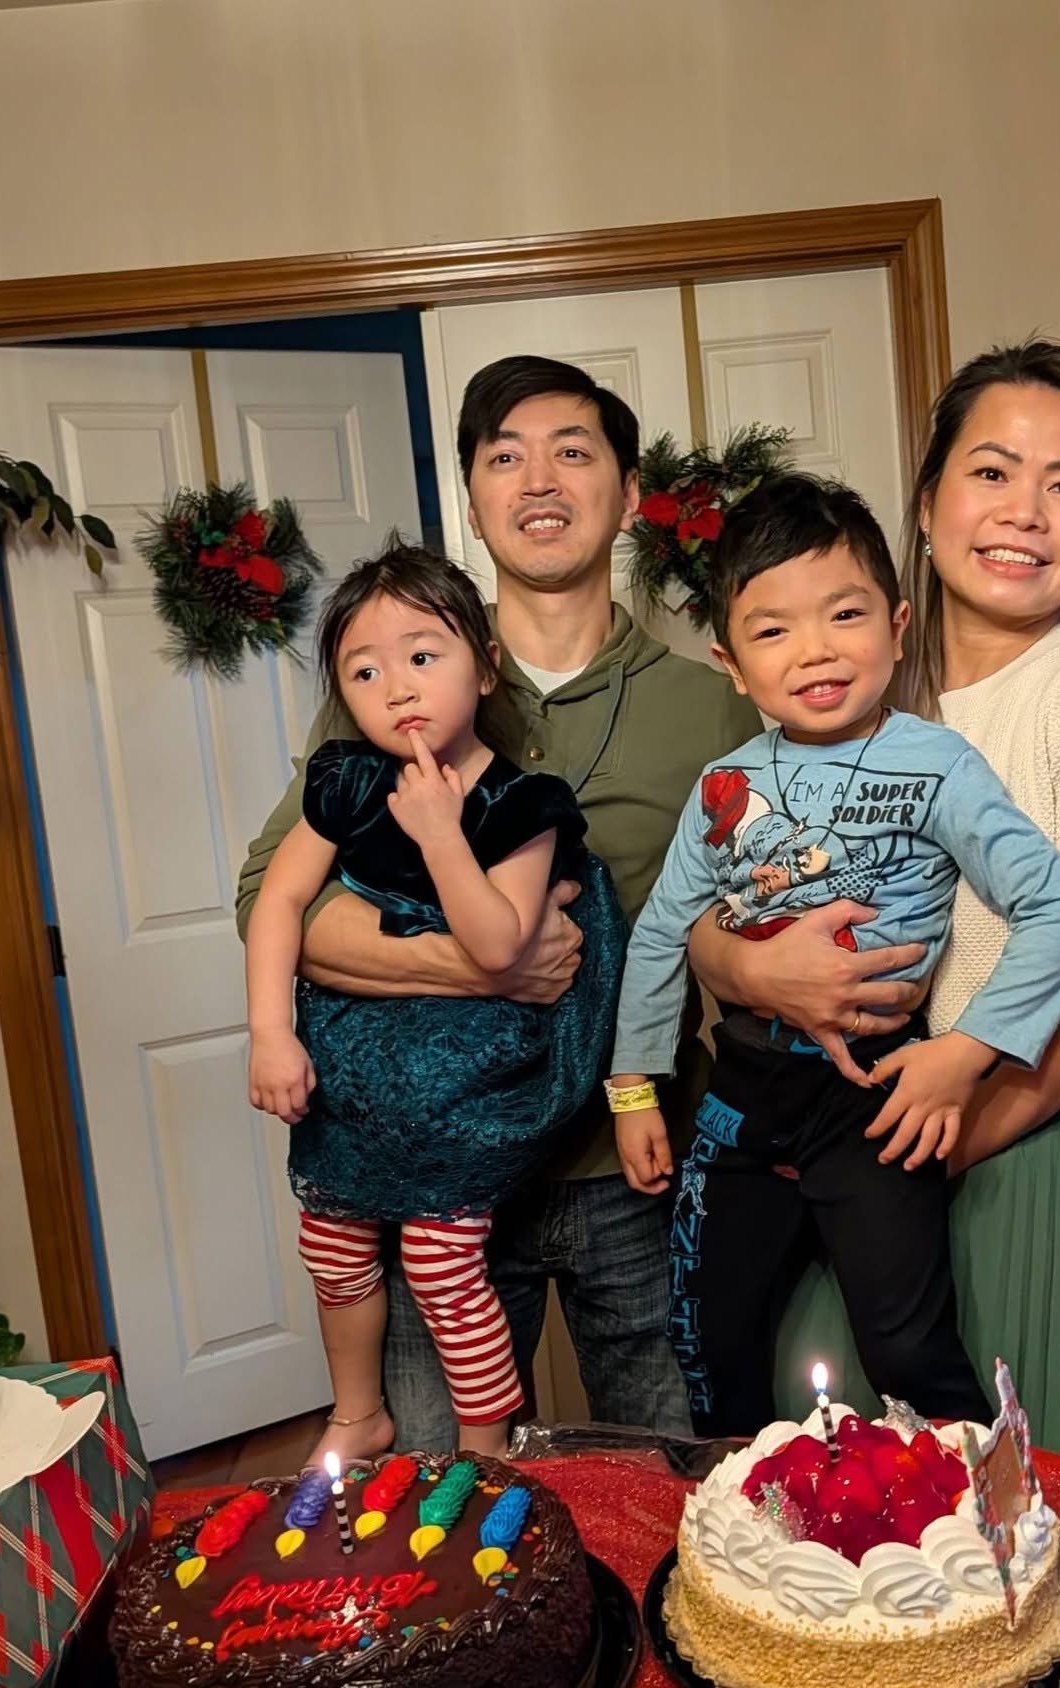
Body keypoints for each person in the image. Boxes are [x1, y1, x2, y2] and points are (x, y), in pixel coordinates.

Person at [236, 356, 779, 1449]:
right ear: (474, 500)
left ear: (629, 493)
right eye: (504, 456)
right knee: (443, 1493)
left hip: (634, 1166)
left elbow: (758, 907)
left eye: (572, 450)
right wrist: (473, 962)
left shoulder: (713, 711)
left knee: (670, 1477)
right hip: (432, 1160)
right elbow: (275, 897)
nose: (539, 479)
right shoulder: (401, 677)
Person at [691, 341, 1060, 1489]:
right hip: (860, 1142)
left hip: (1021, 1140)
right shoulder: (861, 691)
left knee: (1001, 1512)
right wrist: (749, 968)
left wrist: (942, 1137)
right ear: (925, 503)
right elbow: (724, 898)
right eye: (993, 471)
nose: (1025, 511)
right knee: (847, 1487)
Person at [609, 473, 1060, 1437]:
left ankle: (970, 1544)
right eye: (774, 629)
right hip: (742, 1089)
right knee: (707, 1338)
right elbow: (665, 931)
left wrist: (965, 1057)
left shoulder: (939, 762)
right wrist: (633, 1092)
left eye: (845, 614)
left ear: (898, 623)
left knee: (907, 1349)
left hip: (878, 1095)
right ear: (732, 663)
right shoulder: (724, 785)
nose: (817, 650)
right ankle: (740, 1537)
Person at [246, 540, 625, 1463]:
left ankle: (486, 1447)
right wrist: (268, 1035)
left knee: (440, 1264)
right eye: (364, 670)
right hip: (354, 1081)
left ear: (485, 662)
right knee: (332, 1244)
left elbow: (500, 946)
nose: (397, 687)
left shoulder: (523, 802)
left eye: (423, 655)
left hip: (471, 1086)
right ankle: (355, 1411)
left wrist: (439, 833)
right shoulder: (341, 783)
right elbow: (279, 902)